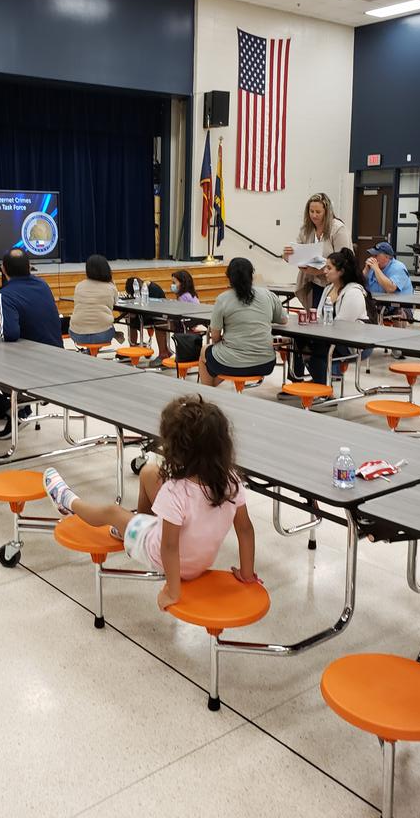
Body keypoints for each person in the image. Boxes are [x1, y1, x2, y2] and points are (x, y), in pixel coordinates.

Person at [42, 394, 260, 610]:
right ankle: (132, 526)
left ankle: (67, 501)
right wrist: (247, 574)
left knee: (112, 512)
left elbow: (169, 546)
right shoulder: (231, 481)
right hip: (201, 562)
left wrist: (173, 591)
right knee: (148, 472)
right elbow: (245, 530)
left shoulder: (175, 492)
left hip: (161, 556)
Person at [0, 249, 63, 438]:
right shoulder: (43, 285)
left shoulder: (6, 294)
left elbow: (10, 334)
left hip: (31, 366)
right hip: (58, 360)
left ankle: (13, 412)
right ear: (30, 267)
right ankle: (18, 408)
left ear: (3, 270)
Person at [290, 248, 376, 389]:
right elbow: (318, 316)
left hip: (353, 343)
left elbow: (341, 327)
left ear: (341, 272)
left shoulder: (353, 292)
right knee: (297, 340)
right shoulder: (328, 289)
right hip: (332, 338)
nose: (325, 271)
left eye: (329, 268)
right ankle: (297, 383)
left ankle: (324, 391)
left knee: (316, 349)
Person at [199, 257, 286, 387]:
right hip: (265, 363)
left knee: (205, 351)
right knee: (227, 360)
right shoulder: (268, 295)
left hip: (231, 363)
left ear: (229, 277)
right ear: (252, 275)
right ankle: (212, 389)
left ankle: (206, 394)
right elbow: (283, 320)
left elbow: (215, 336)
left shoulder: (223, 299)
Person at [283, 192, 351, 309]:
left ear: (327, 212)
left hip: (335, 285)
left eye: (318, 212)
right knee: (316, 318)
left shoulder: (338, 228)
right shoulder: (306, 229)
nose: (314, 215)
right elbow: (297, 251)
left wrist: (319, 270)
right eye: (311, 211)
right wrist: (288, 255)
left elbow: (344, 260)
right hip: (314, 283)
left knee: (329, 317)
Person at [69, 255, 121, 346]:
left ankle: (90, 352)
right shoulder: (110, 287)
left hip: (77, 334)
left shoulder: (79, 286)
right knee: (108, 327)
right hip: (103, 335)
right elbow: (116, 301)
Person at [121, 274, 171, 364]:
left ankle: (163, 353)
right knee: (130, 319)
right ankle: (133, 349)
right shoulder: (142, 287)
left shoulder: (152, 290)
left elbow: (151, 309)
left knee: (133, 318)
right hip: (147, 314)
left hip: (158, 316)